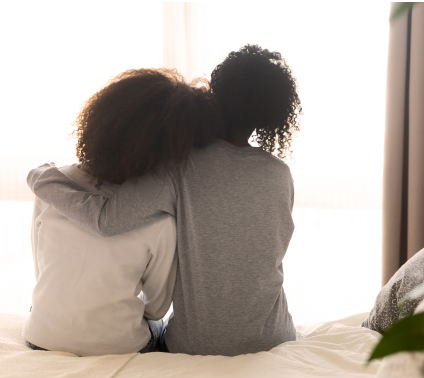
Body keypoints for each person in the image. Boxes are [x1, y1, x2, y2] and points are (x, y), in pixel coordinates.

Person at [27, 44, 303, 356]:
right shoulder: (280, 175)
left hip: (195, 344)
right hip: (275, 337)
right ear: (273, 114)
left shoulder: (180, 166)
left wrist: (41, 179)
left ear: (216, 92)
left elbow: (107, 220)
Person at [23, 68, 222, 356]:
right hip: (119, 346)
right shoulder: (161, 220)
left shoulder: (51, 186)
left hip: (40, 335)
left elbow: (42, 269)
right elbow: (156, 308)